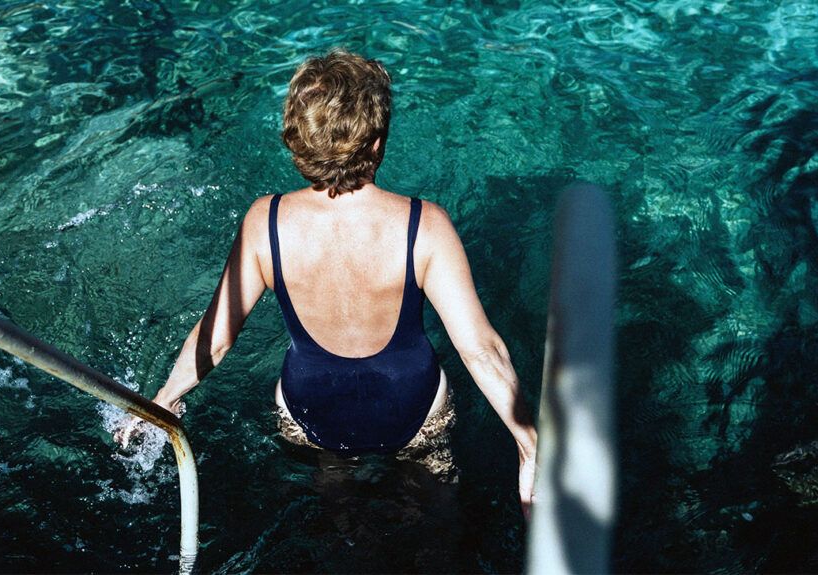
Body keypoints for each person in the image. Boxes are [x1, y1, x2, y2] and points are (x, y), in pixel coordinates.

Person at [114, 49, 538, 516]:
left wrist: (163, 400)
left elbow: (216, 339)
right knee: (434, 511)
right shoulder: (425, 224)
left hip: (311, 411)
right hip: (414, 409)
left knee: (337, 508)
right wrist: (527, 443)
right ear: (377, 143)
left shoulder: (265, 221)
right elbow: (480, 350)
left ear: (297, 141)